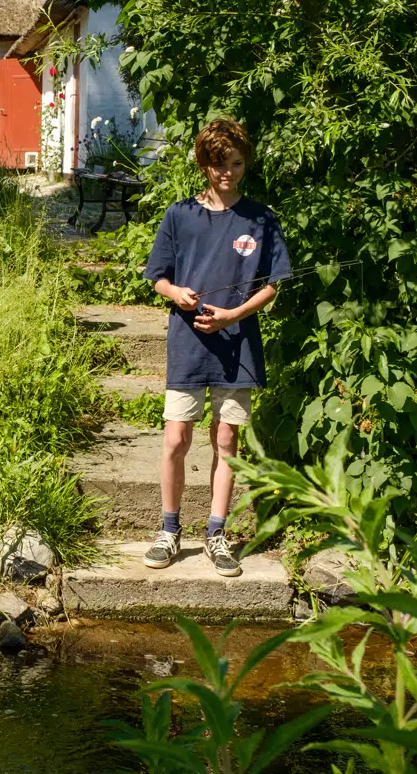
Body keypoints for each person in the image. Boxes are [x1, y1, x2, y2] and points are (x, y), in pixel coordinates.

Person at [140, 119, 291, 577]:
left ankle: (216, 533)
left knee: (227, 440)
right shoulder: (179, 215)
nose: (228, 173)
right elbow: (157, 276)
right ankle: (169, 530)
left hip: (238, 345)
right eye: (219, 165)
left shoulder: (261, 219)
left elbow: (273, 286)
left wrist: (232, 315)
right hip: (187, 343)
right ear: (204, 165)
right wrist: (176, 294)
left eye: (237, 164)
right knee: (175, 438)